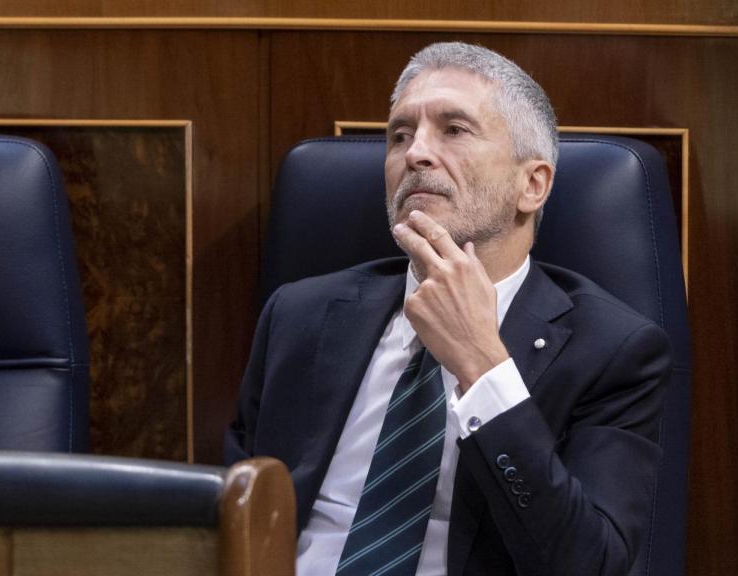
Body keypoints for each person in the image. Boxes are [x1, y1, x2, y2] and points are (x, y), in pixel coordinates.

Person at [224, 42, 672, 576]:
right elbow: (233, 512)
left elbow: (588, 564)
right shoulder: (300, 315)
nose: (415, 153)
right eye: (400, 135)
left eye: (454, 130)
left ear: (532, 185)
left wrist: (482, 366)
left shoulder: (615, 352)